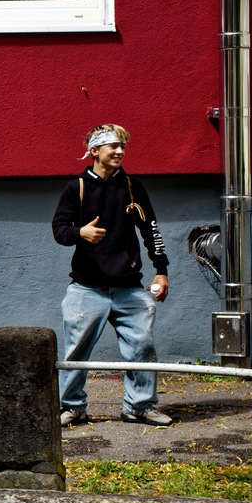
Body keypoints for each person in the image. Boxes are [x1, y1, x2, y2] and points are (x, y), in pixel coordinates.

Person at [52, 124, 172, 427]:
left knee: (142, 346)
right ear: (94, 151)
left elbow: (151, 231)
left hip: (129, 288)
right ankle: (72, 407)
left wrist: (161, 271)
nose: (120, 152)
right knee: (76, 351)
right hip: (86, 288)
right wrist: (81, 232)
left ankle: (140, 406)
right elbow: (59, 230)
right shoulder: (75, 188)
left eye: (123, 147)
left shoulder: (132, 187)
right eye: (113, 146)